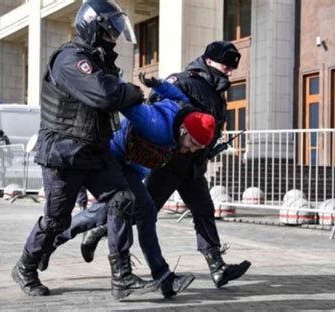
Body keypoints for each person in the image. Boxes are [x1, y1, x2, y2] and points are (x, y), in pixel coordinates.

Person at [11, 0, 157, 300]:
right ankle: (25, 267)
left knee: (122, 198)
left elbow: (109, 93)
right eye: (110, 29)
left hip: (94, 150)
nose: (114, 36)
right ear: (93, 27)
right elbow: (105, 95)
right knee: (56, 220)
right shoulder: (70, 59)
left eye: (116, 30)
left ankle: (122, 277)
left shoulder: (99, 60)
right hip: (64, 152)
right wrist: (130, 92)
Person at [83, 41, 252, 289]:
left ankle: (217, 267)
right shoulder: (182, 81)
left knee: (203, 211)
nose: (228, 72)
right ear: (209, 61)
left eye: (231, 69)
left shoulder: (216, 92)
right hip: (168, 164)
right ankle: (97, 228)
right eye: (225, 66)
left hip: (194, 165)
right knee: (142, 210)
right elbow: (155, 109)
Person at [37, 78, 215, 298]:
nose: (190, 151)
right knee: (142, 210)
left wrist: (157, 83)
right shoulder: (155, 126)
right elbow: (123, 102)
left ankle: (55, 241)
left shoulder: (187, 110)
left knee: (120, 211)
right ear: (183, 130)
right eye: (192, 144)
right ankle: (162, 276)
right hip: (112, 160)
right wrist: (120, 85)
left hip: (129, 165)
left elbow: (176, 93)